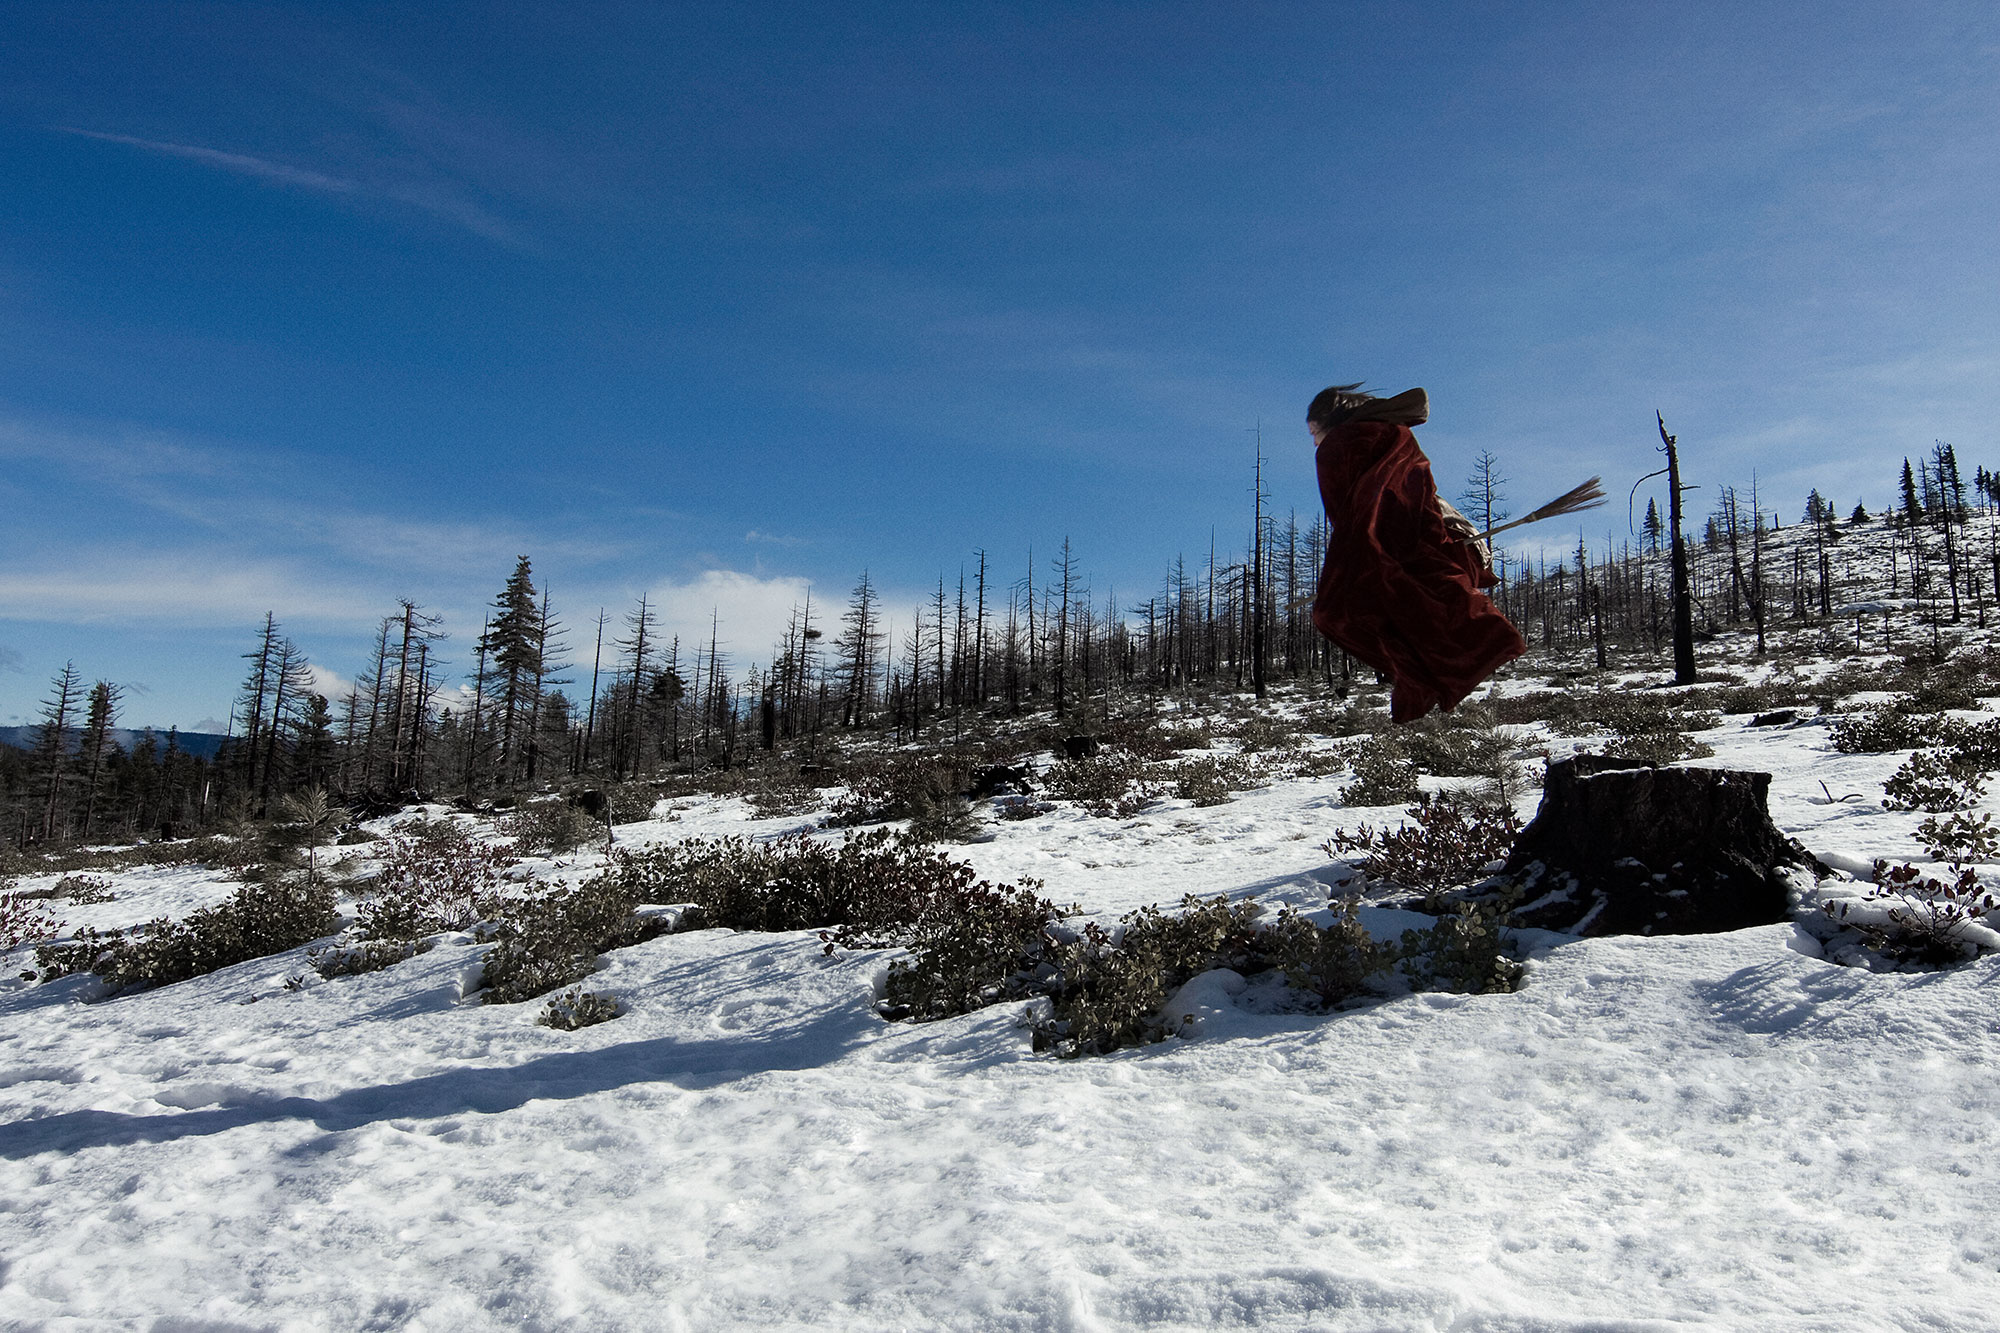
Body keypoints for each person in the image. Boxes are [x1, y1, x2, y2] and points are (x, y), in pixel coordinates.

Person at [1308, 383, 1525, 724]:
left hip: (1434, 542)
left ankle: (1428, 672)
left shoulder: (1344, 446)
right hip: (1448, 542)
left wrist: (1355, 561)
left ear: (1331, 423)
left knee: (1339, 611)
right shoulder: (1389, 437)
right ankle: (1424, 673)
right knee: (1376, 606)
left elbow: (1365, 515)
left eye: (1314, 432)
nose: (1315, 442)